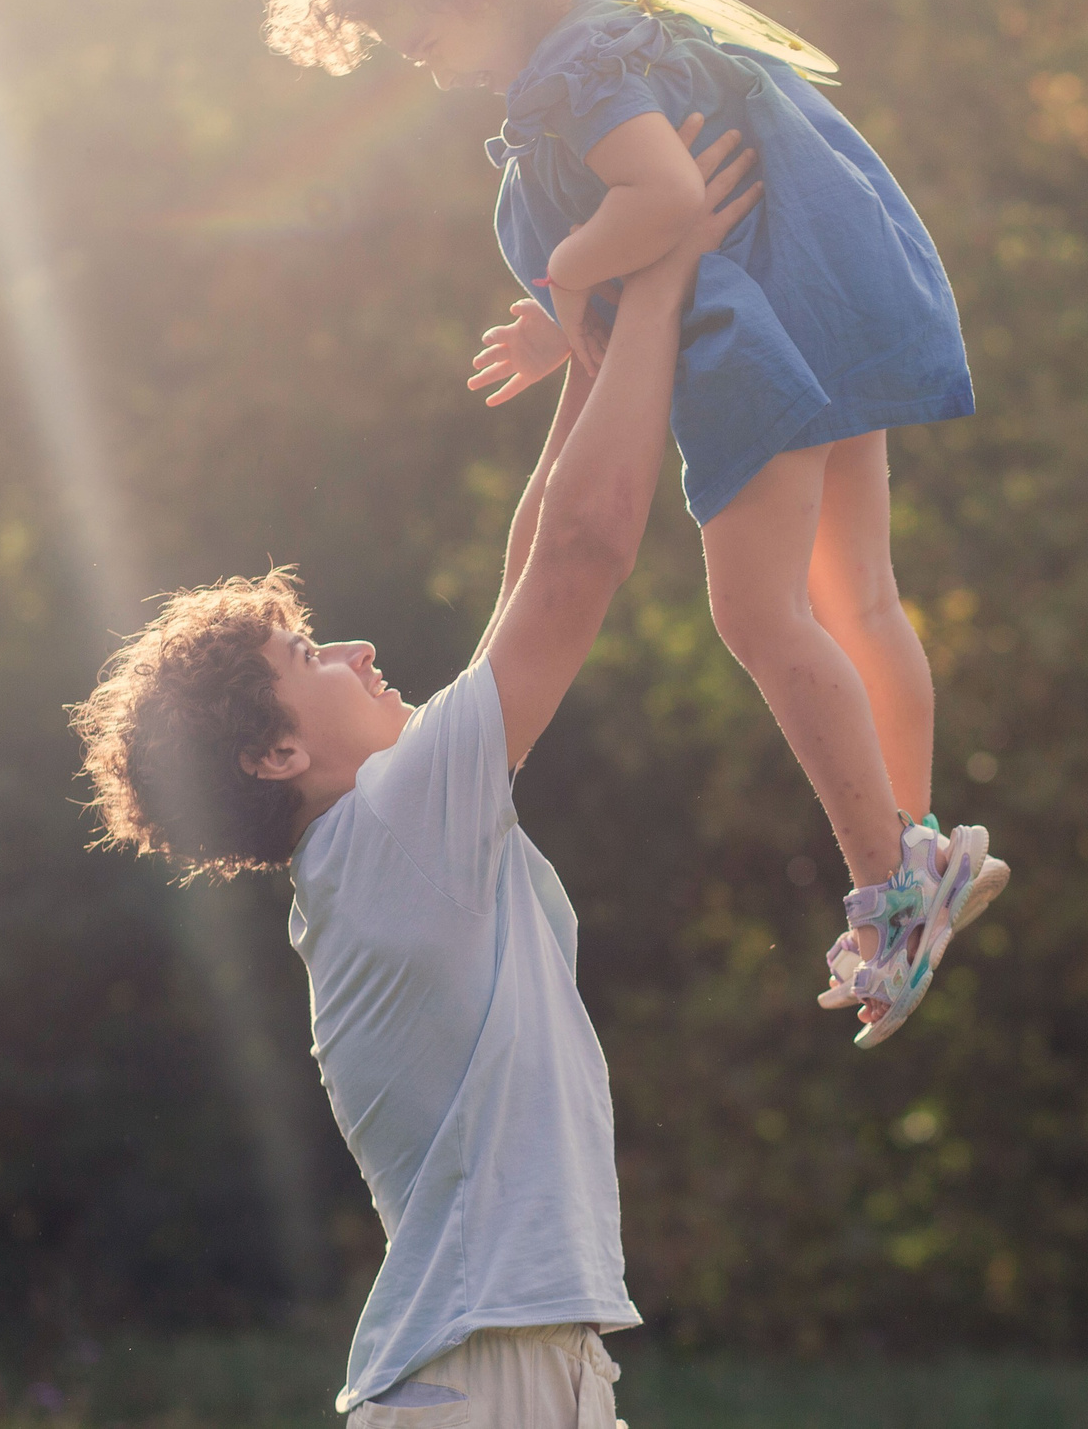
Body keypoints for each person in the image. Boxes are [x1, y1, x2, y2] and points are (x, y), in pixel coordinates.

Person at [244, 0, 1007, 1045]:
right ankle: (914, 851)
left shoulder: (572, 73)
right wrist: (562, 319)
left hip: (754, 344)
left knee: (762, 615)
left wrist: (559, 276)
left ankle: (889, 876)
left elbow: (671, 201)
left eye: (421, 32)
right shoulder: (606, 35)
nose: (422, 64)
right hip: (818, 310)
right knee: (857, 598)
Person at [70, 123, 756, 1425]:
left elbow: (529, 568)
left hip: (520, 1365)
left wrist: (596, 343)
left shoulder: (377, 839)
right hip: (474, 1377)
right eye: (308, 651)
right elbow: (582, 554)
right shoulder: (392, 831)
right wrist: (658, 280)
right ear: (279, 753)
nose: (358, 645)